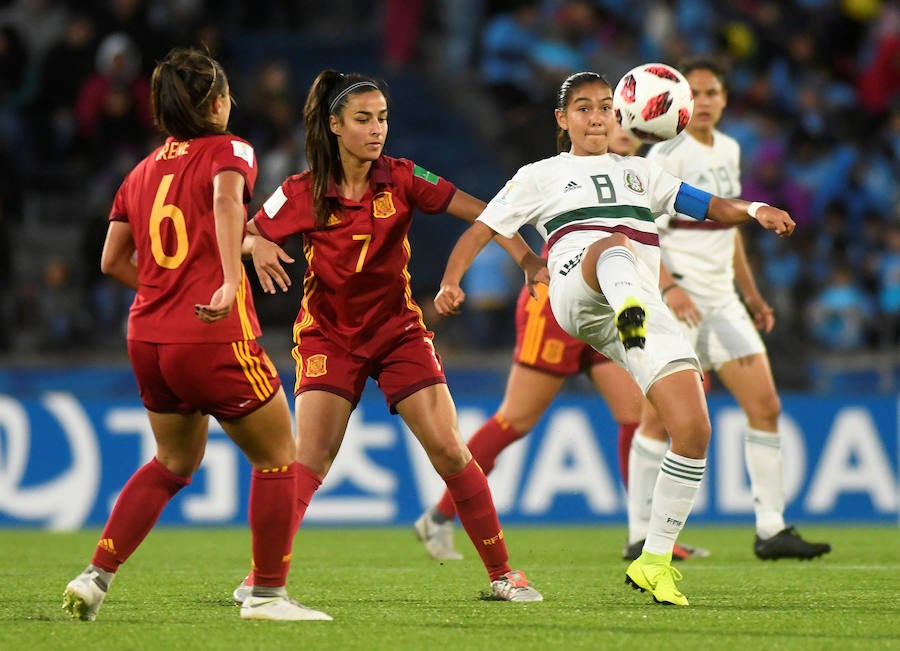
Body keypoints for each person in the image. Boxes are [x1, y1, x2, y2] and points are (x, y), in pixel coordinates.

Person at [432, 71, 795, 606]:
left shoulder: (642, 175)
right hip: (578, 292)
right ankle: (631, 315)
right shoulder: (540, 174)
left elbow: (711, 205)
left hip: (639, 308)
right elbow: (483, 227)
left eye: (605, 107)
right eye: (583, 108)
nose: (596, 116)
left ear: (620, 115)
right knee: (614, 243)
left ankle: (655, 560)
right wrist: (450, 279)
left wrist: (755, 209)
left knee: (693, 428)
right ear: (563, 119)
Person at [232, 69, 546, 604]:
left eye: (382, 118)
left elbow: (485, 212)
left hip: (398, 331)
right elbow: (241, 231)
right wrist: (253, 243)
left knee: (449, 449)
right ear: (334, 126)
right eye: (363, 120)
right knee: (310, 457)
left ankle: (503, 575)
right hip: (328, 337)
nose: (377, 129)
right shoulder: (302, 192)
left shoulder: (401, 177)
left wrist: (526, 256)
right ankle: (263, 579)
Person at [62, 47, 330, 623]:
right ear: (216, 102)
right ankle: (266, 596)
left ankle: (95, 576)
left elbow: (112, 260)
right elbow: (228, 198)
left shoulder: (140, 170)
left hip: (148, 340)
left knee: (173, 463)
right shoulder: (231, 149)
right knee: (280, 457)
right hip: (212, 335)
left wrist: (166, 293)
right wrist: (231, 280)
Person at [415, 122, 708, 562]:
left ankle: (641, 533)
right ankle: (438, 517)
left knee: (634, 417)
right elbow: (494, 219)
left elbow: (637, 249)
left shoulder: (633, 173)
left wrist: (665, 289)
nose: (617, 136)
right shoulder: (557, 172)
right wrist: (519, 262)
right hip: (556, 305)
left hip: (614, 309)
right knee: (516, 421)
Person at [627, 57, 831, 562]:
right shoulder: (661, 155)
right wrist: (670, 286)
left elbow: (729, 223)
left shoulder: (730, 149)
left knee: (765, 406)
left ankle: (770, 528)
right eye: (696, 93)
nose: (706, 101)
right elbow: (638, 232)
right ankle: (639, 535)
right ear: (680, 101)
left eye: (714, 91)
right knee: (658, 421)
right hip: (677, 302)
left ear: (723, 99)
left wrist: (753, 294)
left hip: (722, 301)